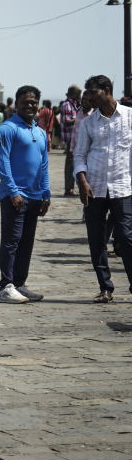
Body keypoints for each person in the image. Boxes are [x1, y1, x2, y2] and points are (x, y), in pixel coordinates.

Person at [74, 75, 132, 303]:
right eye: (86, 93)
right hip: (94, 188)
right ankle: (105, 287)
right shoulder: (89, 122)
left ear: (107, 91)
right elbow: (79, 155)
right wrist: (82, 180)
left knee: (127, 238)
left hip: (123, 187)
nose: (88, 97)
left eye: (92, 92)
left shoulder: (129, 116)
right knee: (96, 240)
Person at [0, 85, 50, 304]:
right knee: (11, 242)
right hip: (15, 196)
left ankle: (19, 283)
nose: (30, 105)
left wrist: (46, 193)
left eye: (34, 101)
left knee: (26, 242)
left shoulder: (39, 132)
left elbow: (44, 164)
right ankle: (5, 286)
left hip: (35, 197)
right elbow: (2, 161)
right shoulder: (7, 129)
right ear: (16, 103)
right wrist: (12, 190)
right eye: (25, 101)